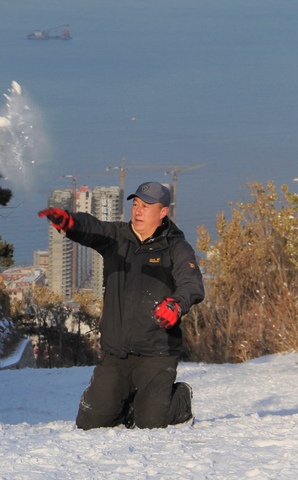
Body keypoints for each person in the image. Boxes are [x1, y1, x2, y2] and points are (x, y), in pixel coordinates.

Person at [39, 181, 204, 430]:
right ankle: (124, 403)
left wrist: (176, 306)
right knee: (90, 423)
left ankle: (180, 399)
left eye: (145, 206)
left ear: (162, 213)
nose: (137, 211)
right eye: (135, 204)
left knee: (150, 423)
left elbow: (191, 285)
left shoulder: (176, 248)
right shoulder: (118, 237)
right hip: (117, 351)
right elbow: (92, 228)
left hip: (157, 352)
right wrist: (69, 223)